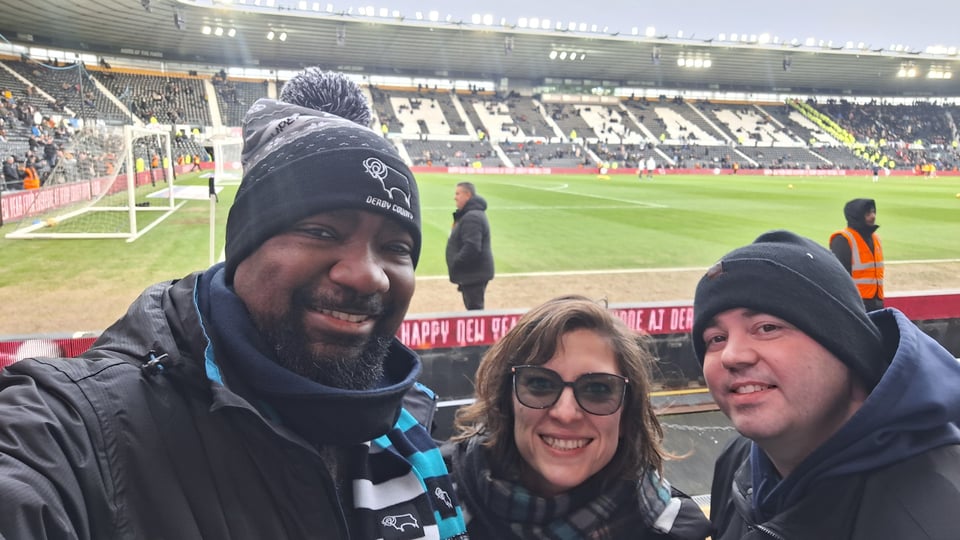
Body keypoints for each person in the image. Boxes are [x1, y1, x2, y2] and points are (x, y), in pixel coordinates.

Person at [0, 68, 468, 540]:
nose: (369, 274)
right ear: (244, 247)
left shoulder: (410, 431)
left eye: (397, 248)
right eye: (322, 232)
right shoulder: (82, 427)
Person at [691, 230, 960, 540]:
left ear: (845, 347)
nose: (732, 355)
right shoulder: (739, 462)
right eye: (716, 339)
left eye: (767, 328)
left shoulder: (937, 518)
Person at [445, 295, 710, 539]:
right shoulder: (428, 495)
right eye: (539, 384)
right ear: (506, 401)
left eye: (597, 389)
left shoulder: (676, 531)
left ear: (627, 416)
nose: (565, 413)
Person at [445, 181, 494, 310]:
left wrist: (456, 262)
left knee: (475, 311)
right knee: (473, 309)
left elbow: (472, 247)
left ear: (467, 195)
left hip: (474, 275)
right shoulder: (470, 215)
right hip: (472, 274)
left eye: (458, 194)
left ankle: (479, 331)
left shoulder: (472, 217)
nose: (455, 197)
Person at [829, 198, 884, 311]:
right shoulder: (843, 240)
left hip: (876, 302)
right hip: (855, 303)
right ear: (857, 216)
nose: (873, 216)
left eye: (874, 212)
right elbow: (840, 276)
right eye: (868, 213)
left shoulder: (875, 239)